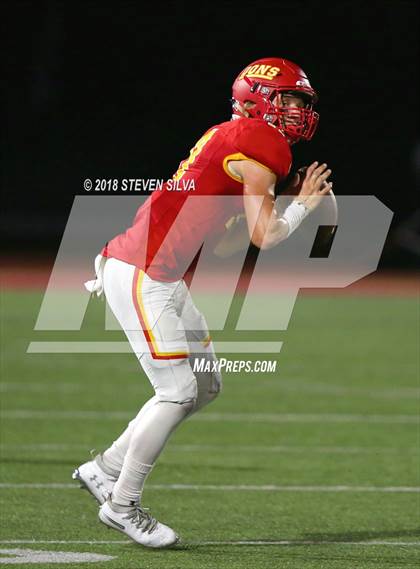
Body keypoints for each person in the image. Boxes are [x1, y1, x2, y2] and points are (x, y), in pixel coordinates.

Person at [72, 57, 332, 548]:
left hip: (161, 274)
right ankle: (122, 504)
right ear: (259, 98)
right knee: (175, 391)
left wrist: (282, 201)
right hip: (142, 270)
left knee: (205, 385)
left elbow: (232, 243)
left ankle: (103, 468)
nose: (298, 110)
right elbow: (266, 236)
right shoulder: (261, 141)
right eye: (290, 99)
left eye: (302, 101)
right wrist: (302, 207)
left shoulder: (236, 142)